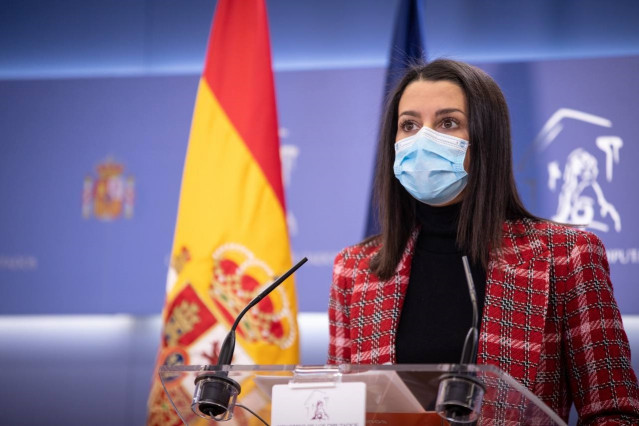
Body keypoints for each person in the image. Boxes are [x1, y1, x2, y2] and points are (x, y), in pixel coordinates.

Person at [327, 59, 639, 424]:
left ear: (486, 138)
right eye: (408, 124)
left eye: (448, 123)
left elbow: (615, 413)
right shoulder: (355, 269)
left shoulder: (567, 255)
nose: (423, 138)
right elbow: (338, 410)